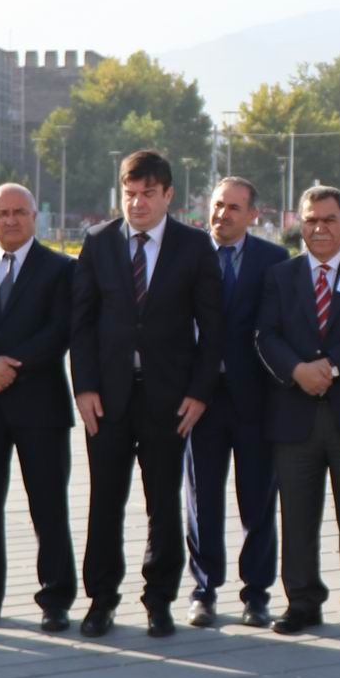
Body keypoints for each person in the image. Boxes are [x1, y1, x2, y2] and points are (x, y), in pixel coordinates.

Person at [69, 149, 222, 639]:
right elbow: (82, 322)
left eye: (148, 194)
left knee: (163, 502)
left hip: (169, 400)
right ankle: (100, 600)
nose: (137, 204)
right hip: (108, 400)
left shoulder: (194, 247)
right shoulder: (98, 242)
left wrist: (199, 393)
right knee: (104, 500)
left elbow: (213, 327)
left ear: (168, 195)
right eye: (130, 194)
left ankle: (159, 601)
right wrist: (85, 387)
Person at [258, 186, 340, 635]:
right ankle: (302, 601)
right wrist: (297, 370)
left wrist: (330, 366)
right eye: (311, 220)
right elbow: (266, 335)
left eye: (328, 219)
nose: (319, 228)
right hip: (294, 416)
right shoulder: (281, 276)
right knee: (296, 514)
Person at [0, 183, 76, 631]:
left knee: (48, 504)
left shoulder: (61, 269)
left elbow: (61, 330)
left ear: (34, 216)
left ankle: (55, 598)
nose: (11, 220)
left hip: (39, 403)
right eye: (1, 213)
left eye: (19, 212)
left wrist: (11, 367)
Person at [185, 176, 284, 627]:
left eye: (233, 208)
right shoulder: (186, 252)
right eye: (218, 205)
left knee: (258, 500)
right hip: (198, 400)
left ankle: (256, 594)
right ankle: (203, 591)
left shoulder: (274, 260)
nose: (222, 215)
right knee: (202, 497)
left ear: (253, 216)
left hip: (254, 398)